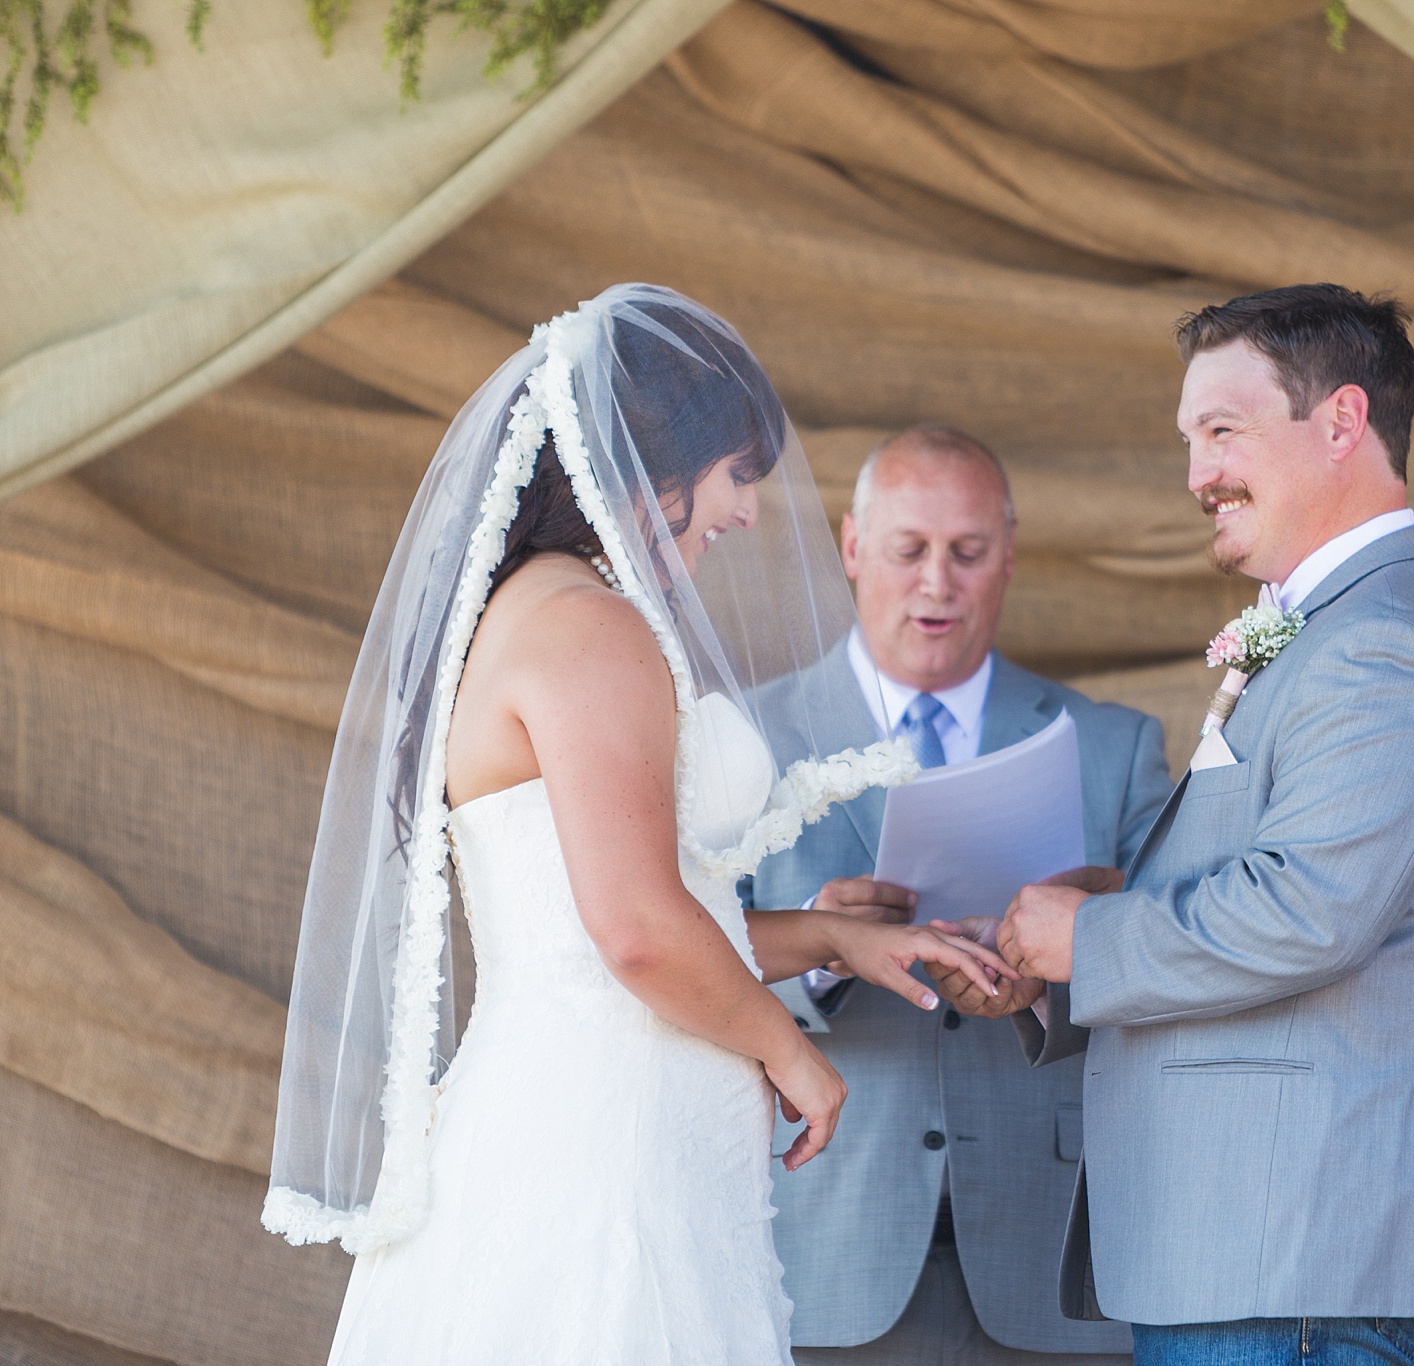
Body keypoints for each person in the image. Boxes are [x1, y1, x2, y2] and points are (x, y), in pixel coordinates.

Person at [261, 285, 1015, 1365]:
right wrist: (791, 1060)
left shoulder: (533, 607)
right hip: (605, 1141)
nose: (749, 511)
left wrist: (833, 935)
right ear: (652, 467)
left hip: (589, 1108)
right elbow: (635, 931)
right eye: (737, 474)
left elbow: (612, 930)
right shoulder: (592, 627)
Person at [939, 285, 1414, 1366]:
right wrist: (1054, 942)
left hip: (1297, 1261)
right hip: (1252, 1260)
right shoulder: (1323, 630)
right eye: (1189, 438)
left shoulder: (1381, 648)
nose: (1196, 473)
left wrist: (1091, 942)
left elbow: (1307, 912)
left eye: (1222, 431)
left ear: (1341, 422)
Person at [741, 425, 1173, 1365]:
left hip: (1049, 1253)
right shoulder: (742, 741)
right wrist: (818, 952)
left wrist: (1054, 980)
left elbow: (1174, 964)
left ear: (1008, 561)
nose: (937, 582)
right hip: (822, 1250)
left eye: (968, 553)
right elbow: (672, 958)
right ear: (853, 547)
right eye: (910, 550)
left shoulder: (1113, 747)